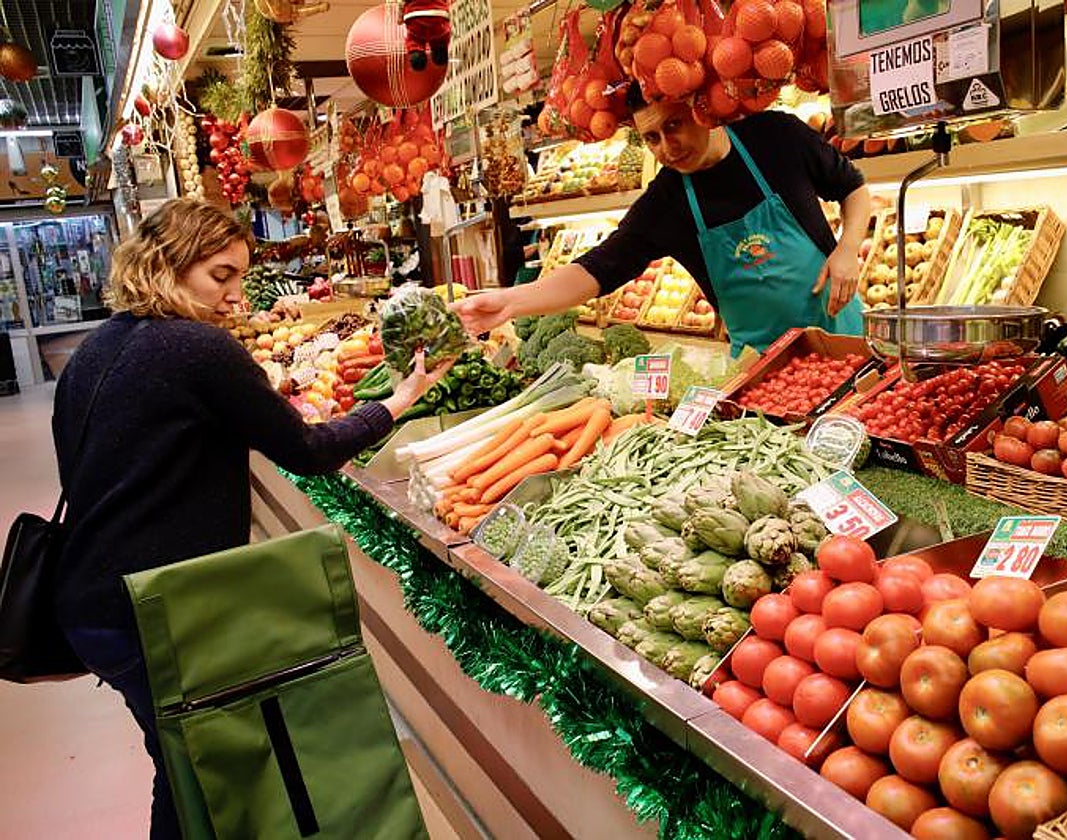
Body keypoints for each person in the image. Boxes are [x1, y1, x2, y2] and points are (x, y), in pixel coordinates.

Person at [50, 199, 447, 838]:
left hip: (92, 601)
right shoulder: (197, 348)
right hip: (158, 609)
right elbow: (308, 451)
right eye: (220, 275)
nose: (236, 295)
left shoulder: (96, 348)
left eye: (239, 276)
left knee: (179, 764)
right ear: (167, 265)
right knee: (201, 778)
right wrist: (395, 403)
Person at [454, 83, 872, 355]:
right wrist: (508, 303)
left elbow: (852, 185)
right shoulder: (667, 201)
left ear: (702, 108)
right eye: (651, 137)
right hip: (762, 361)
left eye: (674, 126)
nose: (667, 148)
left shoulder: (777, 137)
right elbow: (597, 269)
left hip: (840, 332)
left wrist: (848, 249)